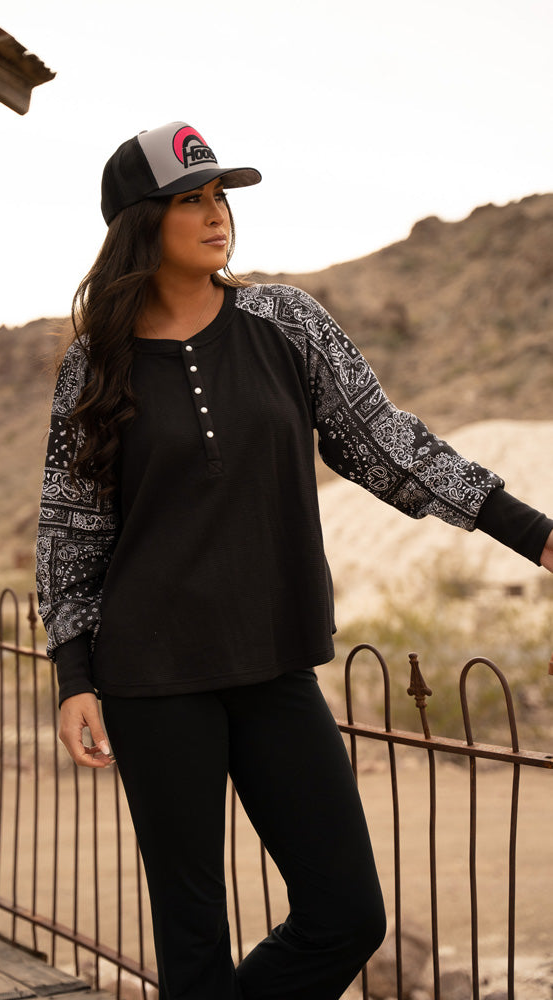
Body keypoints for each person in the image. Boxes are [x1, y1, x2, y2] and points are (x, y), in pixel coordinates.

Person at [36, 121, 553, 1000]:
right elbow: (71, 533)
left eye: (219, 196)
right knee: (191, 939)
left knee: (346, 913)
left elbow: (387, 445)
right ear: (138, 220)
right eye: (189, 199)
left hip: (274, 660)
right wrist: (74, 675)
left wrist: (532, 534)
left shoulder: (286, 321)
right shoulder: (96, 361)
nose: (215, 215)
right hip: (151, 677)